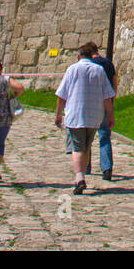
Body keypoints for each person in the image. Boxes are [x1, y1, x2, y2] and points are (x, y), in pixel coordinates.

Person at [54, 43, 115, 194]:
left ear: (78, 56)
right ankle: (82, 175)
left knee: (77, 147)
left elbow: (62, 95)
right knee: (86, 147)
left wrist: (58, 114)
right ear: (93, 56)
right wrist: (110, 115)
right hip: (94, 115)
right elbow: (108, 96)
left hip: (75, 115)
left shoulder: (72, 69)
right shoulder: (99, 70)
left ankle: (79, 178)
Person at [86, 43, 118, 180]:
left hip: (91, 104)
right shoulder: (108, 64)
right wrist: (112, 100)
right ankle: (107, 168)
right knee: (104, 136)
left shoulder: (88, 65)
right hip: (106, 102)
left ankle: (86, 167)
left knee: (87, 138)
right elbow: (114, 83)